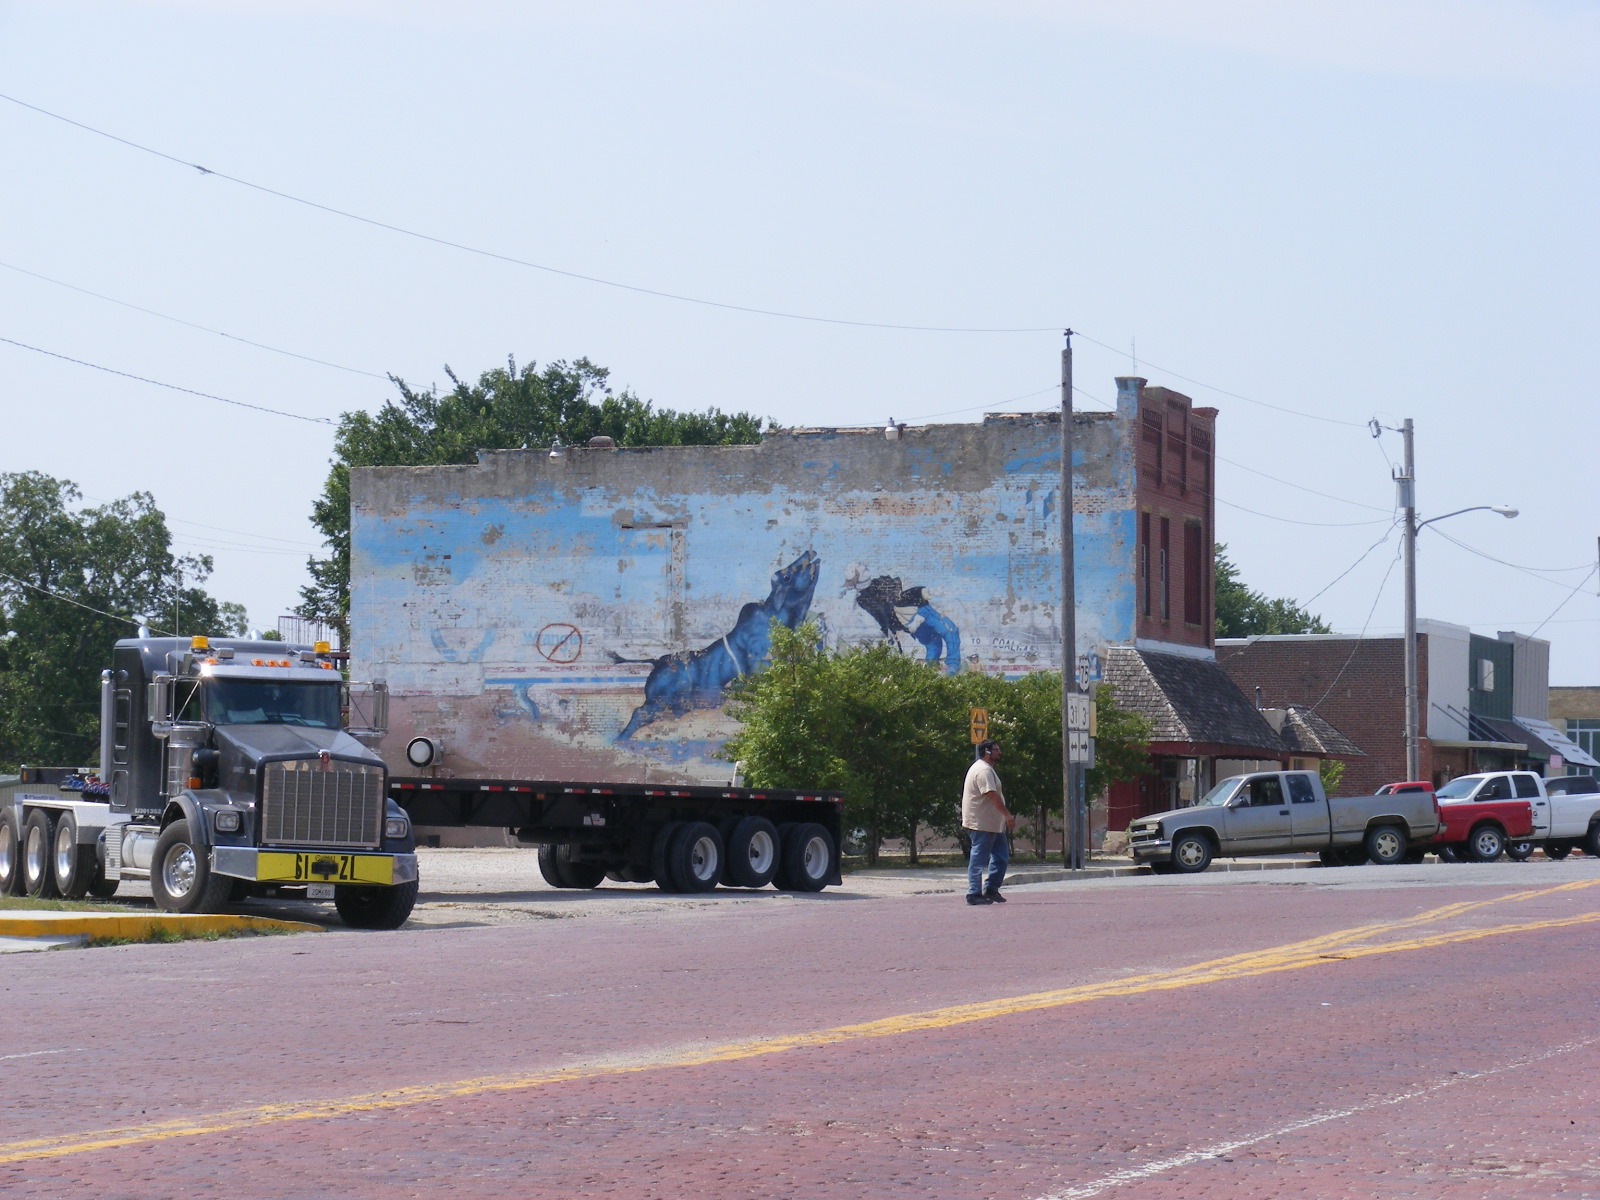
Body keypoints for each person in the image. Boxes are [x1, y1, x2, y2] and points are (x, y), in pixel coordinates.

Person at [961, 739, 1014, 905]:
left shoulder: (988, 770)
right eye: (996, 750)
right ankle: (973, 894)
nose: (999, 752)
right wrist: (1007, 815)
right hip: (981, 824)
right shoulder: (983, 770)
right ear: (987, 752)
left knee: (1001, 857)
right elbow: (991, 795)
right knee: (978, 860)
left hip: (993, 824)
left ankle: (991, 889)